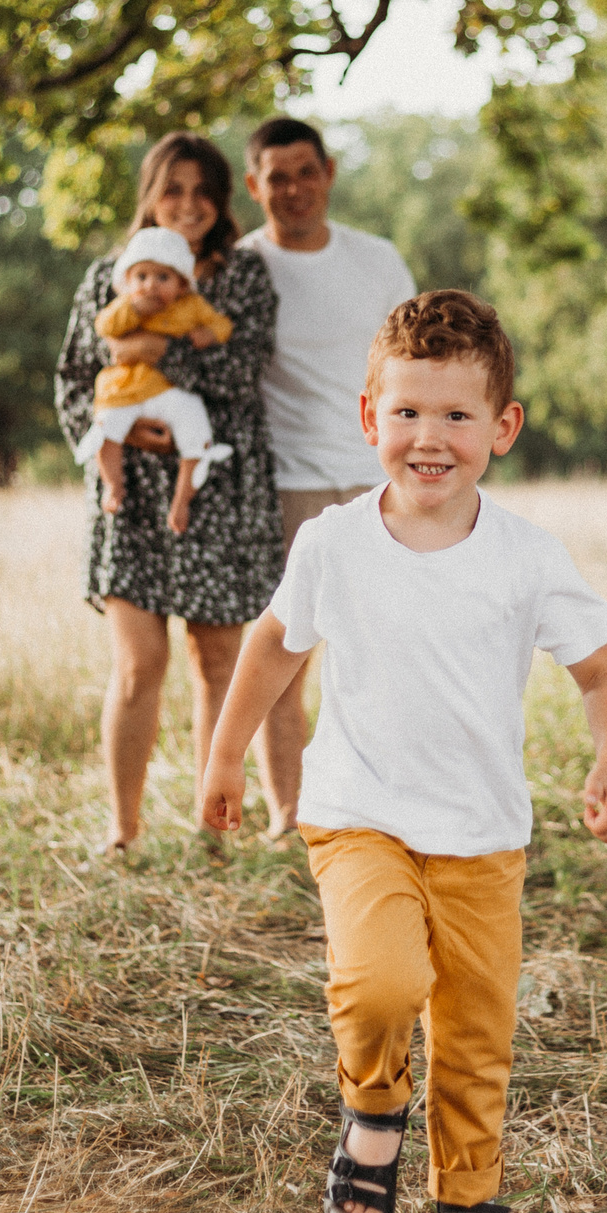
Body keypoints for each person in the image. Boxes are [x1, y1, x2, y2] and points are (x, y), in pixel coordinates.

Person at [197, 290, 607, 1213]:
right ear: (368, 420)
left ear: (503, 429)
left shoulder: (526, 556)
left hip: (483, 839)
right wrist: (226, 755)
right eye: (405, 413)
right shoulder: (333, 543)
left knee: (479, 1036)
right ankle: (373, 1104)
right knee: (381, 984)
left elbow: (605, 674)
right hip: (357, 815)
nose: (427, 439)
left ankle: (469, 1200)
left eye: (455, 416)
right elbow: (274, 646)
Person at [54, 134, 287, 854]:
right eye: (173, 188)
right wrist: (108, 446)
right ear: (152, 194)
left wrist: (162, 354)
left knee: (218, 661)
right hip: (131, 498)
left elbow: (245, 370)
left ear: (221, 200)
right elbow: (73, 378)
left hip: (217, 485)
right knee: (137, 664)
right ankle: (122, 830)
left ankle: (210, 827)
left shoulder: (242, 278)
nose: (187, 203)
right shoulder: (107, 274)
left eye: (201, 190)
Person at [237, 117, 417, 834]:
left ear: (329, 172)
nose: (294, 189)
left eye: (305, 172)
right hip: (288, 483)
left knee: (393, 650)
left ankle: (395, 804)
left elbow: (412, 360)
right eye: (276, 177)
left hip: (381, 480)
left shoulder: (377, 260)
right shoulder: (242, 268)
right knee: (286, 653)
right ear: (255, 186)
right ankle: (289, 812)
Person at [74, 225, 235, 533]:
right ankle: (113, 484)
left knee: (196, 428)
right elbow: (103, 327)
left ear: (182, 284)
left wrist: (208, 334)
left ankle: (182, 500)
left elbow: (223, 325)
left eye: (163, 278)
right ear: (127, 282)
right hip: (126, 389)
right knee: (107, 428)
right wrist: (133, 309)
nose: (151, 286)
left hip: (166, 389)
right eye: (141, 277)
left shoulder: (191, 306)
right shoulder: (126, 306)